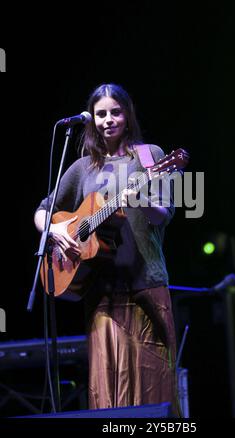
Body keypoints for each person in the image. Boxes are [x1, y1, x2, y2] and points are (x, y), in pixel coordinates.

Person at [34, 83, 181, 416]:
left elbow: (163, 214)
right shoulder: (81, 168)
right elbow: (42, 211)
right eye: (101, 114)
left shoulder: (151, 156)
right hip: (100, 296)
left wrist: (140, 200)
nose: (108, 119)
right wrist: (56, 229)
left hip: (145, 286)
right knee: (108, 396)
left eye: (116, 112)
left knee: (152, 390)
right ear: (92, 120)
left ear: (127, 115)